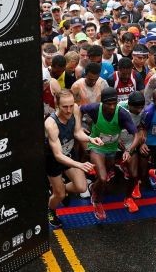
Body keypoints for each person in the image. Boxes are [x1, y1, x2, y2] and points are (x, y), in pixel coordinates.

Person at [44, 90, 104, 228]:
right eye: (65, 107)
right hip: (53, 159)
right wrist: (79, 165)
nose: (69, 110)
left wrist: (90, 139)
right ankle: (50, 210)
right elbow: (58, 155)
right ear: (57, 105)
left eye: (71, 105)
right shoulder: (51, 124)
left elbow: (77, 132)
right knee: (59, 196)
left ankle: (60, 189)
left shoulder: (75, 109)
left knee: (81, 187)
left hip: (69, 152)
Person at [80, 87, 141, 220]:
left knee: (114, 176)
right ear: (102, 102)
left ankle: (96, 187)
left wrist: (129, 151)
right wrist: (79, 127)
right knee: (102, 178)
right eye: (109, 104)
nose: (112, 107)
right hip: (96, 146)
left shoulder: (122, 113)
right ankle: (96, 200)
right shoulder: (95, 108)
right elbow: (79, 109)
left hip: (112, 149)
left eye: (114, 103)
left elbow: (136, 135)